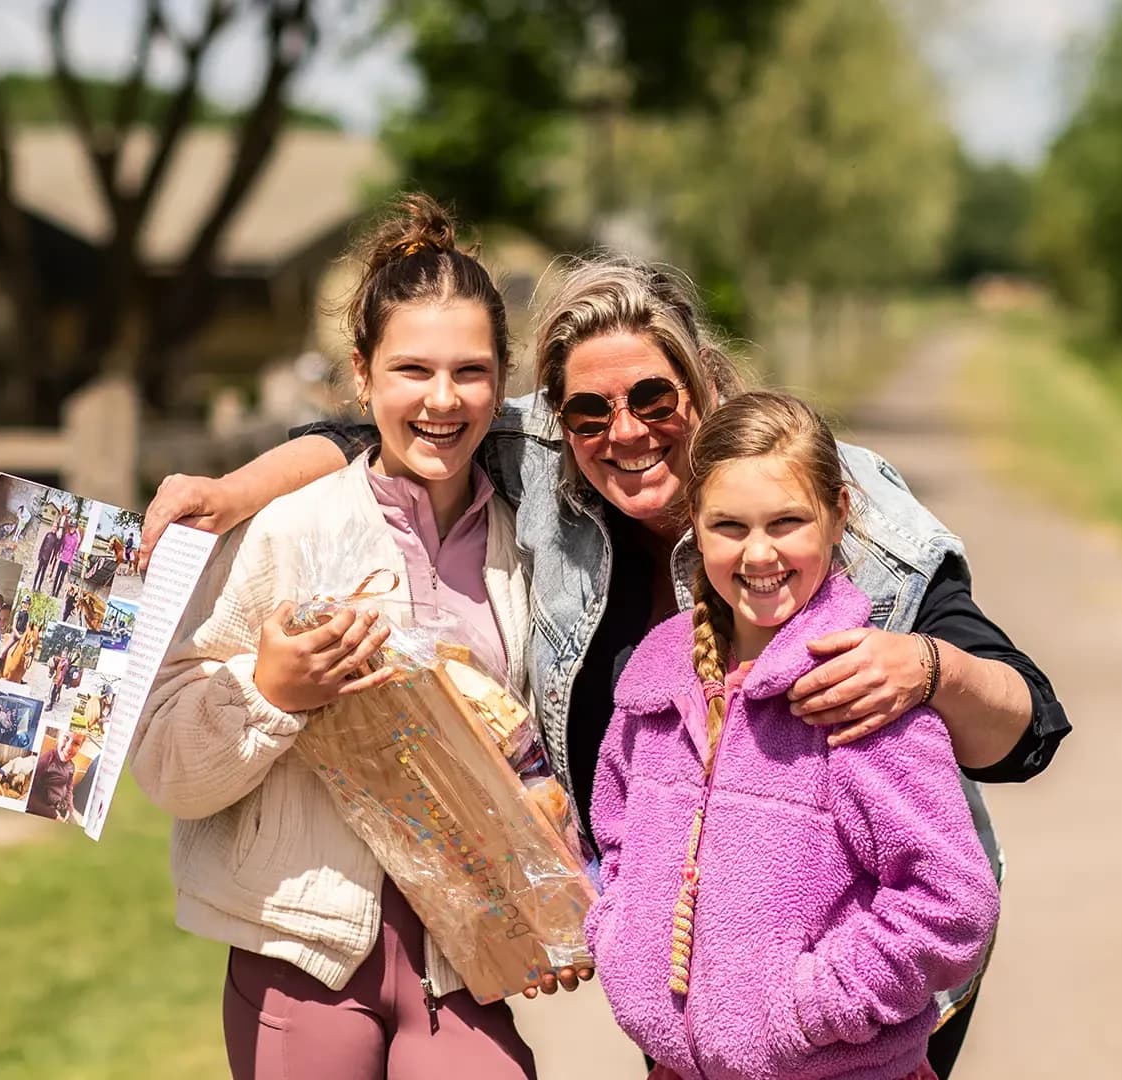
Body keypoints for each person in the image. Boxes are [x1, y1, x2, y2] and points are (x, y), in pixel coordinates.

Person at [138, 253, 1070, 1074]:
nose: (625, 432)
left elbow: (1028, 727)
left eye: (655, 400)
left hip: (857, 1000)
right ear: (557, 422)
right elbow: (394, 427)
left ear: (704, 381)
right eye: (589, 411)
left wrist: (930, 668)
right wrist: (235, 490)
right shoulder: (551, 469)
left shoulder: (824, 497)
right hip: (689, 1002)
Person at [131, 194, 543, 1080]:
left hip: (464, 965)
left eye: (471, 372)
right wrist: (269, 691)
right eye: (412, 370)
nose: (443, 399)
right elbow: (165, 767)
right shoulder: (283, 531)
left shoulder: (530, 543)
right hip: (302, 960)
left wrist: (548, 905)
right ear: (362, 376)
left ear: (503, 380)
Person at [587, 391, 998, 1080]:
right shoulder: (654, 685)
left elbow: (951, 904)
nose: (759, 553)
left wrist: (809, 1008)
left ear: (837, 515)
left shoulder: (861, 694)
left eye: (786, 522)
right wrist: (618, 936)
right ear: (694, 527)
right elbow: (618, 839)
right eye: (729, 526)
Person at [27, 729, 85, 820]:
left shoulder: (71, 766)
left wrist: (70, 808)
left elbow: (69, 788)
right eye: (66, 738)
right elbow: (29, 796)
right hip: (44, 809)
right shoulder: (46, 761)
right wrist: (52, 814)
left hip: (61, 806)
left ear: (80, 747)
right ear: (58, 739)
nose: (69, 747)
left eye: (76, 743)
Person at [53, 517, 82, 595]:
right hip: (62, 558)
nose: (72, 529)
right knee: (57, 575)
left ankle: (57, 592)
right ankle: (53, 591)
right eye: (71, 527)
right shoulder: (66, 535)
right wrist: (59, 553)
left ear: (75, 528)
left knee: (62, 577)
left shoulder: (76, 539)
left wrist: (70, 563)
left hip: (67, 561)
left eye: (73, 527)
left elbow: (74, 552)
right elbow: (62, 546)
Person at [32, 516, 61, 592]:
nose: (54, 528)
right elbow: (42, 545)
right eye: (53, 526)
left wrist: (51, 561)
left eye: (56, 527)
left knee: (43, 573)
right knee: (38, 571)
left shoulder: (56, 538)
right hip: (42, 556)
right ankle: (34, 586)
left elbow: (55, 550)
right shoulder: (48, 534)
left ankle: (39, 587)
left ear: (57, 529)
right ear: (52, 527)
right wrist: (39, 555)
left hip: (47, 558)